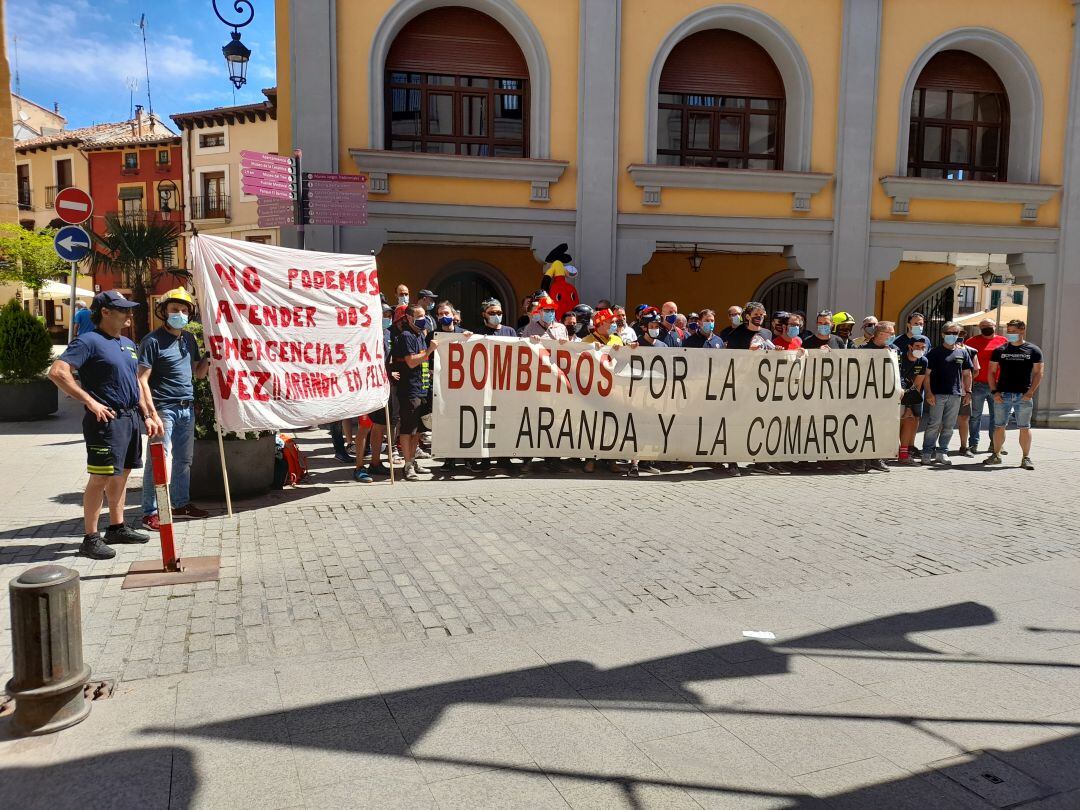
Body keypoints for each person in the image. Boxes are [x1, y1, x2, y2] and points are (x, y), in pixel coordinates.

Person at [48, 291, 162, 559]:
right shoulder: (88, 341)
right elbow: (57, 372)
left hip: (130, 418)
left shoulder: (128, 343)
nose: (128, 315)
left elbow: (135, 382)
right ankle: (90, 537)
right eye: (122, 310)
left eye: (129, 310)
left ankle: (117, 527)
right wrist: (90, 402)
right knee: (100, 477)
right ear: (105, 312)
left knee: (121, 474)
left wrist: (147, 414)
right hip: (105, 421)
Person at [137, 288, 211, 530]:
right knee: (159, 461)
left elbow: (198, 374)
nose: (179, 313)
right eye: (174, 310)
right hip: (164, 409)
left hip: (186, 408)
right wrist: (150, 413)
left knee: (184, 460)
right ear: (164, 312)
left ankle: (180, 504)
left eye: (183, 310)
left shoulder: (188, 339)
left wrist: (209, 358)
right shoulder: (152, 341)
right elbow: (141, 380)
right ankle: (151, 511)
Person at [983, 319, 1044, 469]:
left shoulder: (1033, 350)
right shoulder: (1000, 350)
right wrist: (994, 391)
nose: (1010, 334)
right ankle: (996, 455)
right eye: (1008, 331)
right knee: (999, 426)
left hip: (1023, 395)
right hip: (1002, 394)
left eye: (1014, 331)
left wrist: (1030, 393)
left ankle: (1026, 458)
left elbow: (1039, 373)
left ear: (1022, 330)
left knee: (1024, 427)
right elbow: (991, 372)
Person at [392, 306, 437, 481]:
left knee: (418, 429)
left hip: (422, 387)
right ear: (409, 318)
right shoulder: (406, 336)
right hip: (409, 389)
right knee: (408, 428)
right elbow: (411, 362)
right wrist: (429, 351)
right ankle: (407, 465)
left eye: (424, 316)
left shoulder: (420, 335)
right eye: (419, 316)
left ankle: (412, 460)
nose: (423, 319)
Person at [357, 301, 399, 481]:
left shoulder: (388, 334)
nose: (386, 319)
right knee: (364, 428)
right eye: (383, 315)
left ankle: (375, 462)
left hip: (384, 386)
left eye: (389, 316)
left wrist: (390, 372)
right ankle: (359, 467)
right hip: (368, 387)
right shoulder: (365, 334)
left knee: (380, 427)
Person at [921, 321, 973, 466]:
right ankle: (927, 452)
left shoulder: (963, 352)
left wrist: (968, 392)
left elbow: (967, 374)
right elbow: (927, 375)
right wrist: (929, 393)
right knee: (934, 424)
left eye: (955, 333)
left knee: (949, 426)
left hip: (956, 394)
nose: (952, 336)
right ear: (943, 334)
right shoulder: (934, 353)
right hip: (937, 394)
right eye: (949, 333)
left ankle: (942, 452)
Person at [856, 321, 898, 472]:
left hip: (886, 397)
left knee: (881, 427)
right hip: (866, 396)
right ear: (880, 334)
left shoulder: (894, 350)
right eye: (891, 334)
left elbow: (900, 373)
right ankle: (860, 458)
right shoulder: (863, 349)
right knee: (863, 426)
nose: (893, 336)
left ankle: (876, 458)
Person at [965, 318, 1007, 454]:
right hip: (978, 384)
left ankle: (995, 444)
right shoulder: (971, 342)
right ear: (979, 327)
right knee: (975, 416)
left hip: (997, 385)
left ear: (995, 326)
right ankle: (973, 444)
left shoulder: (1003, 341)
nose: (986, 328)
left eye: (989, 326)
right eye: (983, 326)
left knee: (996, 417)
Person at [896, 335, 929, 464]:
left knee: (910, 419)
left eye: (923, 347)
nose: (920, 349)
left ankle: (904, 453)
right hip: (894, 392)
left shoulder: (923, 361)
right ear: (910, 346)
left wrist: (909, 406)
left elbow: (917, 385)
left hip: (909, 393)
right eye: (917, 346)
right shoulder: (899, 357)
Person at [954, 334, 981, 457]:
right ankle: (935, 447)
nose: (956, 336)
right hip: (947, 391)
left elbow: (975, 371)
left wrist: (966, 384)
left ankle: (964, 447)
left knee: (964, 419)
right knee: (942, 421)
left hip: (964, 391)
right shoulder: (942, 351)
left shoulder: (971, 351)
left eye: (958, 334)